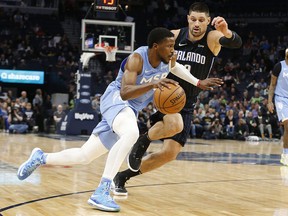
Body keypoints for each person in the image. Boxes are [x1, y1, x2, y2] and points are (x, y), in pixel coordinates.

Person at [16, 27, 222, 212]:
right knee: (131, 133)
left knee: (84, 155)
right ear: (155, 46)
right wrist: (153, 85)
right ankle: (101, 191)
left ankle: (41, 157)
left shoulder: (169, 59)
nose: (173, 50)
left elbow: (176, 68)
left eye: (173, 46)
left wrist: (198, 82)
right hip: (115, 98)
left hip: (130, 109)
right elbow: (124, 92)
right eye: (169, 46)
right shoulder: (137, 58)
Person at [113, 2, 242, 195]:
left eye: (201, 20)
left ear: (208, 21)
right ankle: (143, 141)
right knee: (175, 124)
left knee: (169, 154)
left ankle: (123, 176)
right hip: (166, 94)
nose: (196, 24)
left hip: (187, 101)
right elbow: (151, 53)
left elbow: (235, 43)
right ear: (187, 19)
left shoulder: (212, 38)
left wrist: (227, 31)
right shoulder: (173, 36)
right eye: (193, 19)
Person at [267, 48, 288, 166]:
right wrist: (270, 101)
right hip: (281, 99)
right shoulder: (279, 66)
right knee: (287, 124)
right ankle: (285, 155)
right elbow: (272, 85)